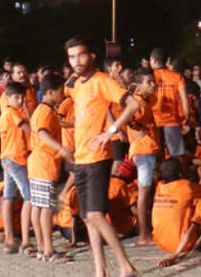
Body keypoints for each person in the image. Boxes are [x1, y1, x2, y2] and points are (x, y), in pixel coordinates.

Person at [66, 36, 141, 277]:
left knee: (95, 214)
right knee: (88, 218)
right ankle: (101, 270)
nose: (76, 60)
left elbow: (132, 104)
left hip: (98, 158)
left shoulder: (102, 81)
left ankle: (126, 266)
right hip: (81, 158)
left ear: (91, 56)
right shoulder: (77, 85)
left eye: (81, 55)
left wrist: (109, 133)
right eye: (72, 56)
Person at [29, 73, 75, 262]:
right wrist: (62, 149)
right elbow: (43, 133)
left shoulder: (44, 110)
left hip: (37, 163)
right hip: (44, 163)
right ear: (49, 92)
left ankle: (42, 248)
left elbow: (52, 125)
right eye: (60, 90)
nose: (63, 94)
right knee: (46, 207)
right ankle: (49, 250)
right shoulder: (45, 111)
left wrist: (72, 124)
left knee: (38, 207)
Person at [0, 80, 34, 254]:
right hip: (15, 158)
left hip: (8, 157)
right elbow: (29, 129)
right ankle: (26, 239)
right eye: (17, 97)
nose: (20, 101)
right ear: (8, 98)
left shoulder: (6, 113)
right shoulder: (12, 113)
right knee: (29, 195)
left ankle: (9, 238)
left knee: (9, 197)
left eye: (22, 97)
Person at [125, 67, 160, 246]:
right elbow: (128, 119)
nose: (153, 84)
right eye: (149, 82)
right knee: (144, 193)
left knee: (146, 193)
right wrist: (140, 129)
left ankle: (145, 233)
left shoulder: (143, 100)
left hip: (146, 149)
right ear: (139, 85)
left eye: (153, 81)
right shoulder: (137, 101)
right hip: (142, 150)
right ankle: (143, 236)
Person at [151, 158, 201, 254]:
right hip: (182, 244)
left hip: (160, 242)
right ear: (181, 174)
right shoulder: (187, 187)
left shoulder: (159, 188)